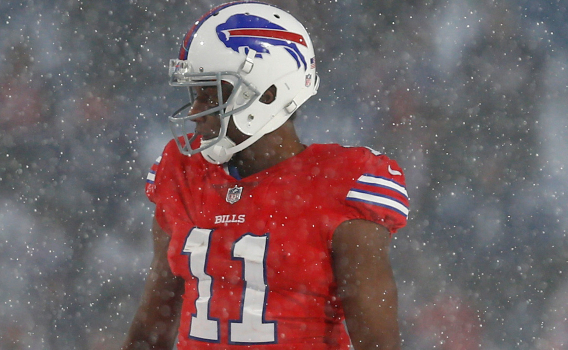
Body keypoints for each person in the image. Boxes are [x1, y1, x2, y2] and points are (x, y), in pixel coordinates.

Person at [123, 2, 409, 349]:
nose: (196, 112)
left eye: (210, 94)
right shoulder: (183, 173)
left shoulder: (342, 184)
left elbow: (378, 342)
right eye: (194, 95)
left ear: (268, 94)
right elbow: (152, 328)